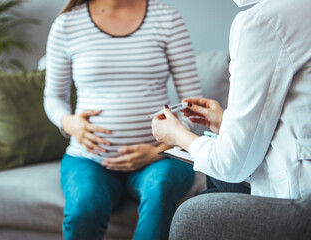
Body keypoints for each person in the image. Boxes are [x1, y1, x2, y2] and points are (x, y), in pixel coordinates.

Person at [44, 0, 203, 239]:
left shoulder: (167, 19)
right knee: (83, 209)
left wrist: (159, 150)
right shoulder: (67, 24)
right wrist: (69, 123)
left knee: (159, 188)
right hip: (89, 159)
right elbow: (53, 97)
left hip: (160, 158)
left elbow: (194, 105)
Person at [152, 0, 311, 199]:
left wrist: (177, 135)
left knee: (198, 205)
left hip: (297, 196)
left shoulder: (261, 23)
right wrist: (226, 123)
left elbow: (230, 164)